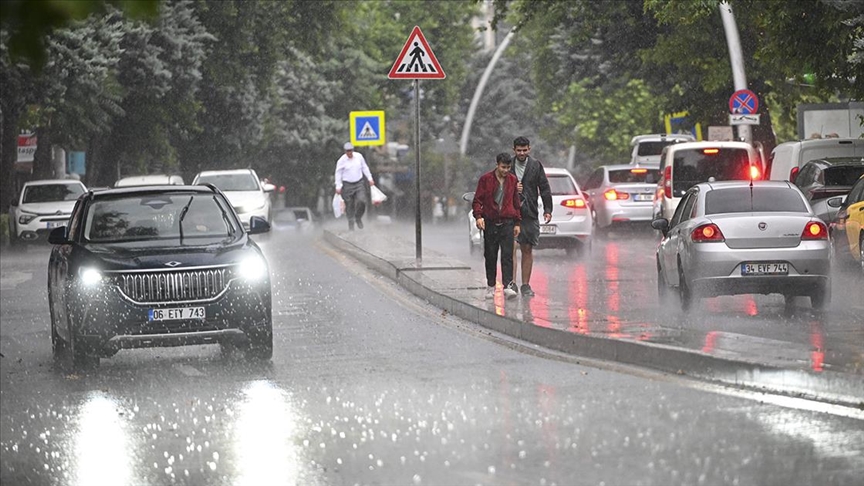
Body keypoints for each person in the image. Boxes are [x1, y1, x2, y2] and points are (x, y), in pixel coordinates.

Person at [472, 153, 522, 300]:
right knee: (490, 255)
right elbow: (477, 200)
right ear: (497, 165)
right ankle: (491, 285)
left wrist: (517, 222)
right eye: (503, 167)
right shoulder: (486, 179)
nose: (505, 170)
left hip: (507, 222)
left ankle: (507, 285)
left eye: (508, 167)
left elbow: (516, 202)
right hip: (490, 222)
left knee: (507, 255)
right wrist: (479, 217)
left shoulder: (512, 180)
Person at [511, 136, 552, 297]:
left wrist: (547, 209)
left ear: (529, 149)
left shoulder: (535, 165)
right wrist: (513, 188)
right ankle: (511, 284)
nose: (521, 153)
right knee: (511, 248)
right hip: (510, 213)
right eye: (518, 150)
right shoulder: (508, 165)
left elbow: (544, 187)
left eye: (524, 150)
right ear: (514, 150)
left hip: (529, 213)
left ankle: (525, 285)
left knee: (527, 248)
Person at [334, 142, 375, 230]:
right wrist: (338, 186)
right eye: (347, 151)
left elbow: (364, 167)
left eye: (350, 151)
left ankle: (358, 217)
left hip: (359, 183)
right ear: (345, 151)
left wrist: (370, 178)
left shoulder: (359, 157)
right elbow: (338, 173)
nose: (349, 153)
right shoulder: (341, 161)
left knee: (362, 201)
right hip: (347, 184)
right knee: (349, 205)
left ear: (353, 150)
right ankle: (351, 223)